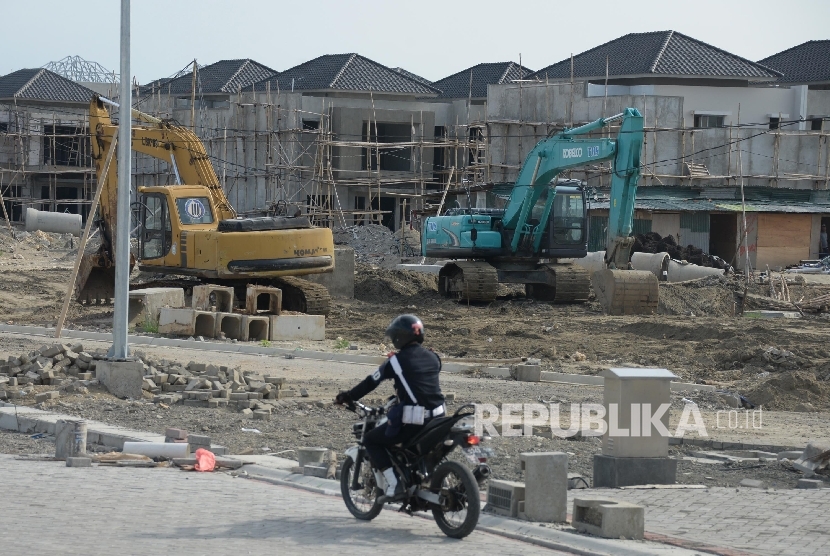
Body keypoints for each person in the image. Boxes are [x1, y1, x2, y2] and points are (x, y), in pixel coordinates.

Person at [335, 314, 445, 501]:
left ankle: (396, 485)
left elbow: (371, 382)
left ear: (399, 337)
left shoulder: (395, 362)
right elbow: (420, 382)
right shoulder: (434, 357)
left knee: (371, 440)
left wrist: (348, 396)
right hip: (440, 417)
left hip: (416, 420)